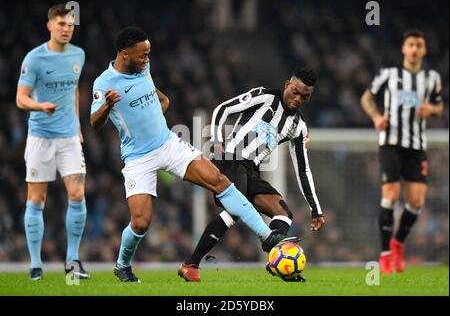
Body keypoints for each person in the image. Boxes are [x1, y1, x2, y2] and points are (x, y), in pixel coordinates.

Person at [90, 27, 296, 283]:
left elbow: (158, 97)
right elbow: (94, 123)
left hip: (168, 144)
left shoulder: (144, 68)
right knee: (141, 223)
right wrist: (108, 106)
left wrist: (158, 109)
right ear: (124, 54)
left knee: (220, 181)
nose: (146, 60)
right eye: (142, 55)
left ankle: (267, 238)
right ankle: (122, 265)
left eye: (148, 54)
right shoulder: (103, 83)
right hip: (138, 157)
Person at [178, 68, 326, 282]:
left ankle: (277, 263)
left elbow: (303, 169)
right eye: (295, 91)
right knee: (234, 212)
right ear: (287, 85)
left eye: (305, 96)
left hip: (251, 170)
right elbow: (223, 109)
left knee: (282, 212)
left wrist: (315, 209)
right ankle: (191, 265)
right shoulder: (264, 97)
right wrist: (218, 141)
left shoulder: (299, 127)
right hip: (231, 159)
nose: (298, 98)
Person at [16, 4, 90, 281]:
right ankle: (36, 265)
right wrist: (39, 106)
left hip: (69, 137)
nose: (66, 28)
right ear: (50, 26)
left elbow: (73, 90)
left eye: (70, 24)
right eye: (61, 24)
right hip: (40, 138)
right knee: (37, 199)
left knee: (78, 194)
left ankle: (72, 260)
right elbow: (20, 98)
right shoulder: (34, 59)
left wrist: (79, 126)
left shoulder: (78, 55)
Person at [361, 29, 444, 274]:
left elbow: (439, 107)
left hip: (416, 146)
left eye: (419, 45)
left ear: (424, 50)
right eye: (411, 44)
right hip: (391, 143)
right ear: (404, 49)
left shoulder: (432, 79)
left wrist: (431, 109)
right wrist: (376, 117)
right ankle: (385, 254)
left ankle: (398, 242)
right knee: (390, 196)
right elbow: (367, 98)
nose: (415, 49)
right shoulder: (388, 74)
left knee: (417, 201)